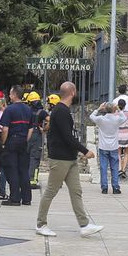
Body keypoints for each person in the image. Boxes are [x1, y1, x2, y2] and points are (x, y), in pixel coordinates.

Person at [34, 81, 101, 238]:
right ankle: (40, 224)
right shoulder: (61, 111)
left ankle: (84, 225)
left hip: (69, 158)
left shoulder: (61, 110)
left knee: (76, 191)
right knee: (51, 190)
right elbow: (67, 136)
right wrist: (85, 151)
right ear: (72, 92)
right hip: (60, 158)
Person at [1, 90, 36, 206]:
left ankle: (15, 198)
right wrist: (25, 139)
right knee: (23, 170)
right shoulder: (28, 109)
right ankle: (27, 198)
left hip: (12, 140)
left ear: (14, 95)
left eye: (10, 94)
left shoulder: (9, 109)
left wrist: (3, 142)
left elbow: (5, 129)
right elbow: (31, 128)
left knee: (12, 169)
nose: (9, 96)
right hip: (23, 141)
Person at [89, 100, 126, 194]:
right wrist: (118, 108)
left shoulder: (101, 119)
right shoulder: (117, 119)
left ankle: (104, 187)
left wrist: (98, 108)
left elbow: (91, 116)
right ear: (114, 110)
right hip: (113, 146)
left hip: (103, 146)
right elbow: (124, 117)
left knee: (103, 167)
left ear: (105, 109)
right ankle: (115, 187)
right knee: (114, 167)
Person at [25, 91, 46, 188]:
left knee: (26, 156)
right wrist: (44, 129)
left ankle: (25, 180)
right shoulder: (41, 112)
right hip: (36, 134)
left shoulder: (26, 110)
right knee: (35, 158)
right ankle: (32, 181)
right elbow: (50, 120)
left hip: (27, 134)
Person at [114, 84, 128, 173]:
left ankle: (119, 168)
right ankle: (124, 169)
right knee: (127, 152)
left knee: (118, 152)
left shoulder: (114, 101)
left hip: (119, 133)